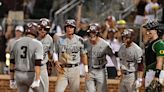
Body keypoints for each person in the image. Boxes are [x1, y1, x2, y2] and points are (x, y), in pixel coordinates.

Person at [53, 19, 88, 92]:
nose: (69, 29)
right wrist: (56, 61)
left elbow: (83, 55)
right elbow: (55, 52)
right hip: (63, 69)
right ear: (65, 28)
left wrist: (86, 70)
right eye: (67, 27)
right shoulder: (60, 39)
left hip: (74, 69)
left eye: (71, 27)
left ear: (74, 28)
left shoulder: (79, 40)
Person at [9, 22, 44, 92]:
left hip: (18, 75)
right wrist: (37, 79)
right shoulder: (37, 43)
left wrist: (11, 79)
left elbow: (12, 62)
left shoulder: (16, 42)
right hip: (31, 75)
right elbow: (37, 63)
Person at [84, 23, 119, 92]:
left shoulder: (105, 44)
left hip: (101, 71)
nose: (92, 35)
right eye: (90, 33)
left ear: (98, 33)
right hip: (90, 70)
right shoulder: (85, 43)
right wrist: (86, 70)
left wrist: (118, 69)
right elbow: (84, 56)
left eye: (94, 33)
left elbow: (112, 56)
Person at [142, 19, 164, 92]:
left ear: (156, 30)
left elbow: (160, 61)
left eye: (150, 29)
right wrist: (144, 75)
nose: (148, 32)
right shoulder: (149, 44)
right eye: (147, 30)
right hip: (149, 72)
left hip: (156, 73)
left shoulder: (159, 44)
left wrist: (157, 77)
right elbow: (148, 62)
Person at [37, 18, 53, 92]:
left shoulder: (49, 39)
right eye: (41, 28)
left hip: (43, 67)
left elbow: (51, 53)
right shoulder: (33, 38)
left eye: (45, 29)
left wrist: (52, 61)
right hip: (32, 67)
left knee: (45, 89)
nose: (43, 30)